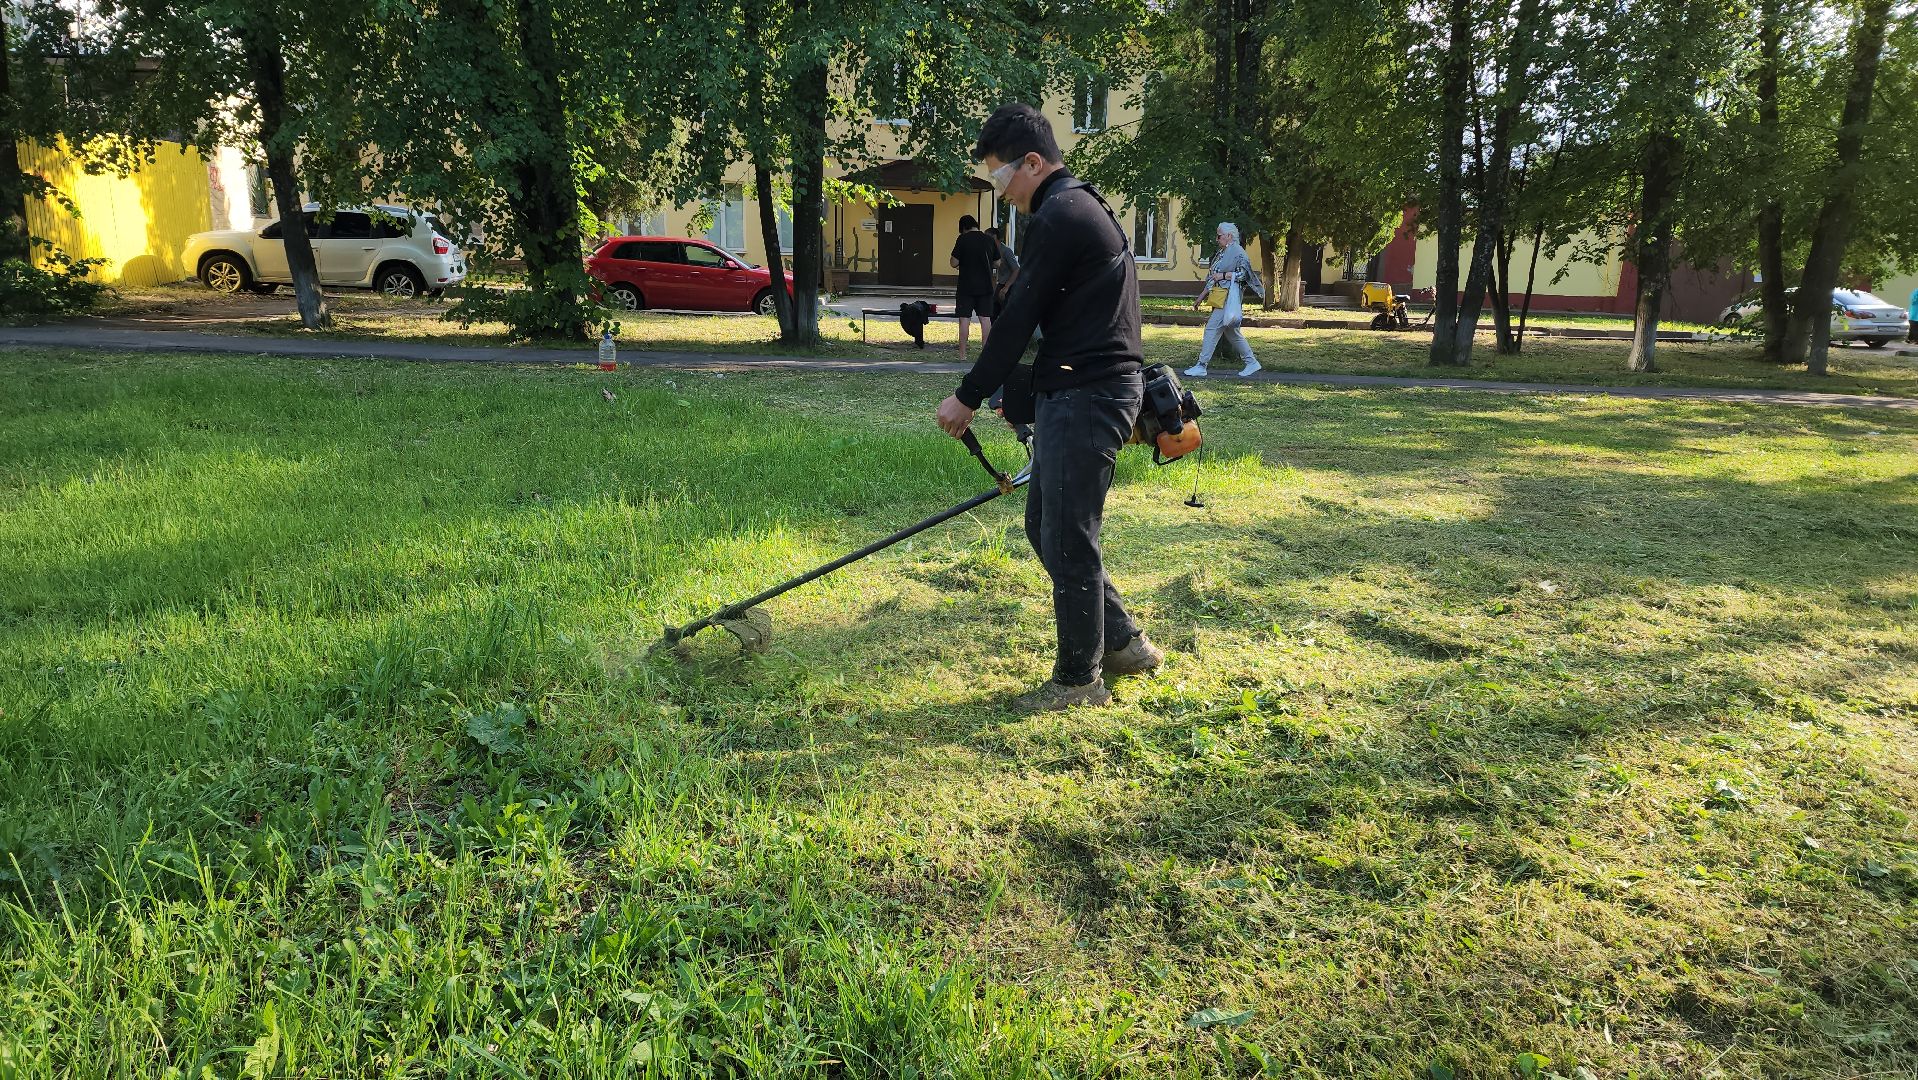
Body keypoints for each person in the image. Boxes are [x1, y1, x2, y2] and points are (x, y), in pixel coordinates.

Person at [936, 102, 1164, 714]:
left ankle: (1077, 682)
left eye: (1000, 176)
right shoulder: (1075, 208)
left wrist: (967, 396)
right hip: (1081, 391)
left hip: (1091, 396)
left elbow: (1016, 322)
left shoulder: (1061, 214)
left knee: (1067, 537)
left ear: (1033, 163)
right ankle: (1123, 644)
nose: (999, 191)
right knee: (1047, 527)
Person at [1184, 222, 1263, 379]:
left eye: (1219, 236)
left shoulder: (1239, 253)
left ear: (1229, 236)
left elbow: (1244, 275)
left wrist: (1225, 275)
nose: (1217, 238)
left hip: (1228, 297)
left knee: (1212, 329)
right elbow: (1213, 277)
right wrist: (1201, 296)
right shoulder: (1222, 253)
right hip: (1220, 295)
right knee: (1231, 332)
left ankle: (1201, 365)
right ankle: (1251, 362)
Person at [949, 214, 999, 361]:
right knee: (985, 319)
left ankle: (963, 355)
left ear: (963, 227)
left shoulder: (963, 239)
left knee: (964, 319)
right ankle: (985, 354)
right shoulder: (989, 239)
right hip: (986, 286)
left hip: (966, 286)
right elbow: (998, 263)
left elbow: (953, 262)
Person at [988, 224, 1020, 311]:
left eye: (987, 238)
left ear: (994, 237)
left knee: (1004, 311)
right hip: (1001, 284)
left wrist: (1006, 287)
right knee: (993, 310)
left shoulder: (1006, 251)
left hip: (1010, 285)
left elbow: (1017, 269)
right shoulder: (993, 251)